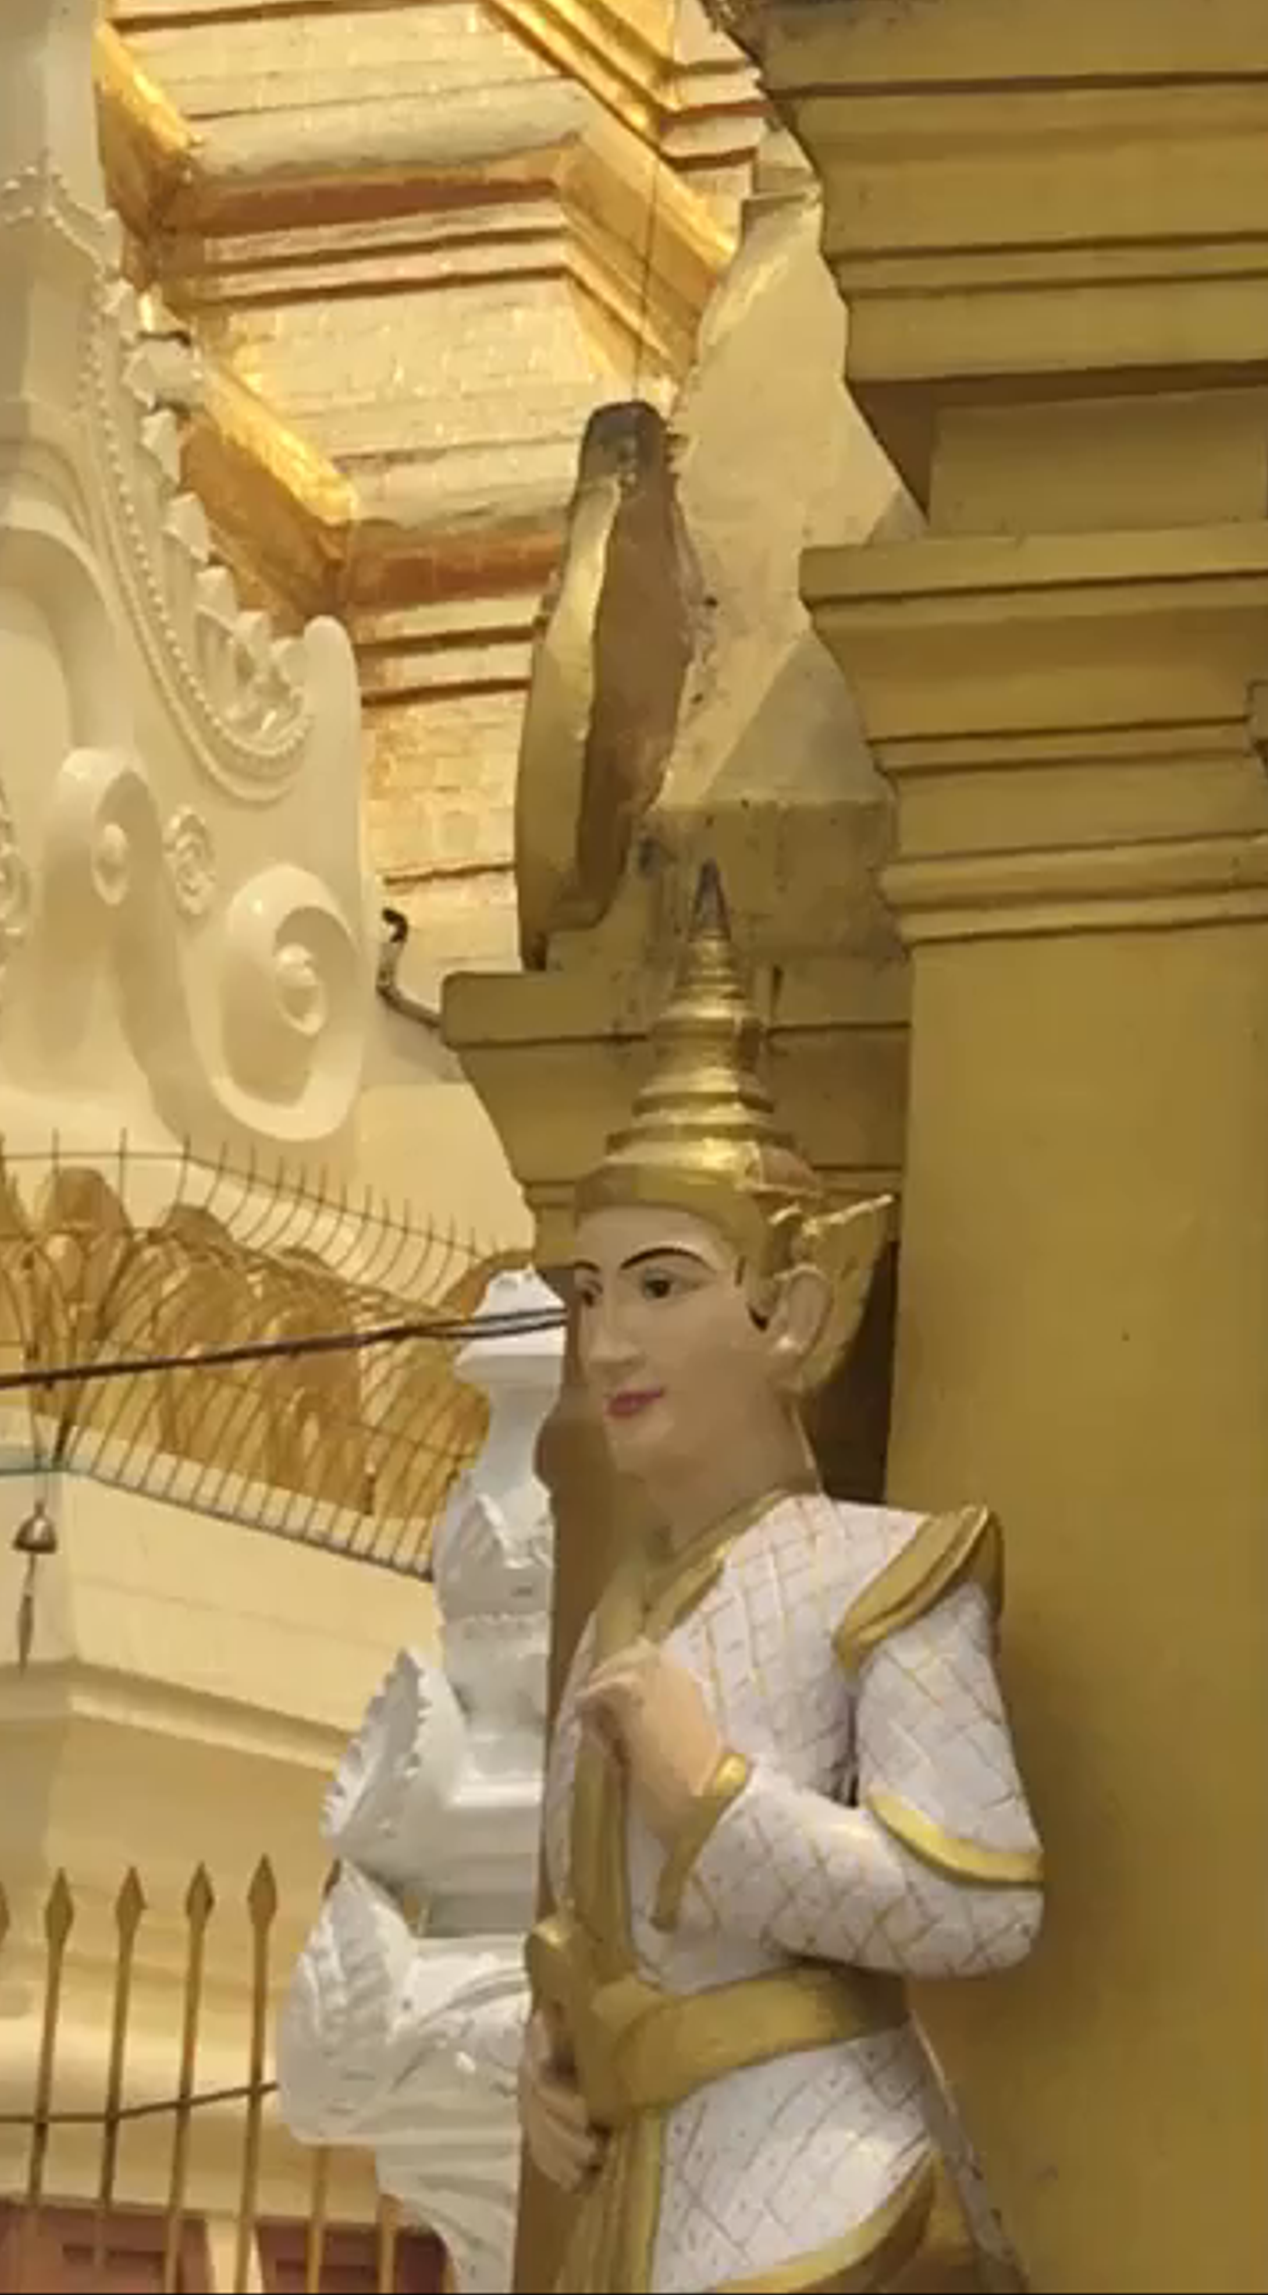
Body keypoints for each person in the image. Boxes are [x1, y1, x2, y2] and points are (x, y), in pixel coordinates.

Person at [520, 877, 1039, 2292]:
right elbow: (588, 1910)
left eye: (663, 1284)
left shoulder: (881, 1571)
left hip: (831, 2189)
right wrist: (558, 2047)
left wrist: (716, 1800)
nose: (609, 1338)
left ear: (794, 1309)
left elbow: (981, 1902)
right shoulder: (625, 1605)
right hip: (649, 2190)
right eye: (586, 1290)